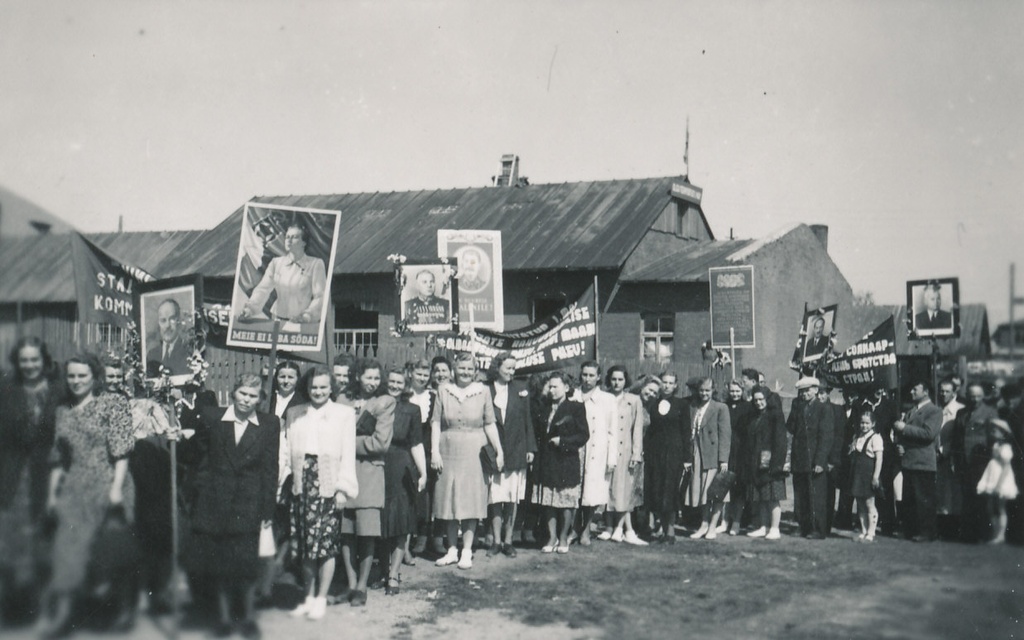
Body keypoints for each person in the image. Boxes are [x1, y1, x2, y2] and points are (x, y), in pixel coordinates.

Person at [39, 353, 135, 638]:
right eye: (71, 376)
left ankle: (124, 610)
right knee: (68, 551)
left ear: (95, 377)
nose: (76, 381)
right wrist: (52, 495)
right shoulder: (62, 410)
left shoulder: (113, 404)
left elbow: (122, 453)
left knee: (110, 553)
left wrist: (116, 490)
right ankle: (64, 615)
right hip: (75, 486)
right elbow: (58, 457)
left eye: (82, 375)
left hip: (109, 483)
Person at [181, 373, 279, 639]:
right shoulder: (214, 419)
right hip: (216, 500)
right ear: (233, 393)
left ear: (260, 399)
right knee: (221, 566)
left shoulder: (269, 424)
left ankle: (247, 617)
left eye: (253, 396)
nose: (247, 400)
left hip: (249, 502)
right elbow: (195, 454)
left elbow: (270, 469)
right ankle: (224, 618)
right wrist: (178, 439)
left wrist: (267, 508)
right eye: (243, 393)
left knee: (246, 565)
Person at [285, 367, 357, 621]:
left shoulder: (344, 414)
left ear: (331, 388)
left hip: (328, 482)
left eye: (323, 387)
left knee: (324, 545)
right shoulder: (295, 413)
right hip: (301, 483)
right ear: (307, 388)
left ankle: (321, 598)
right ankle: (308, 597)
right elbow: (286, 450)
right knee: (306, 545)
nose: (318, 391)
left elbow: (348, 453)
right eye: (314, 387)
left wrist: (342, 488)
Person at [0, 338, 61, 626]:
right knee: (11, 543)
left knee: (44, 540)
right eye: (24, 360)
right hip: (13, 476)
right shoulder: (7, 391)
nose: (29, 365)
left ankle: (44, 607)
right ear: (17, 362)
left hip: (47, 475)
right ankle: (15, 609)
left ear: (43, 360)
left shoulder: (58, 391)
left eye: (34, 359)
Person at [431, 353, 504, 569]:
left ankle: (466, 551)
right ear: (455, 370)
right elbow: (435, 423)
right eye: (462, 368)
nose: (465, 372)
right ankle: (452, 550)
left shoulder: (483, 391)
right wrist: (435, 452)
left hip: (474, 450)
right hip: (448, 448)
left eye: (469, 369)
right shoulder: (443, 391)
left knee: (470, 501)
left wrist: (499, 450)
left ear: (475, 371)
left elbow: (489, 423)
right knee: (450, 501)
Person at [337, 359, 394, 606]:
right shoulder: (342, 400)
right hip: (344, 472)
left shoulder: (384, 402)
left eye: (376, 378)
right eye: (368, 377)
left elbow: (380, 443)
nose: (372, 383)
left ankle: (362, 585)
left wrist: (346, 443)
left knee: (367, 532)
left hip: (370, 473)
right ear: (357, 376)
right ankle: (351, 583)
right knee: (346, 531)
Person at [531, 372, 589, 554]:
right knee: (548, 502)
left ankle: (564, 537)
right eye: (550, 386)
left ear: (566, 387)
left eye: (556, 386)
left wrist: (563, 442)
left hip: (566, 460)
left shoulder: (576, 407)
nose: (552, 390)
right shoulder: (543, 407)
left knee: (565, 502)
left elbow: (583, 435)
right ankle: (552, 537)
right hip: (546, 460)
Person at [380, 368, 426, 594]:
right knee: (379, 521)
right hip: (377, 466)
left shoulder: (412, 409)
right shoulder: (375, 405)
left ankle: (393, 575)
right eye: (391, 381)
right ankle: (381, 570)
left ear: (405, 385)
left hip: (400, 467)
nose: (395, 386)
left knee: (399, 523)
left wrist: (423, 472)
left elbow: (416, 443)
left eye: (399, 382)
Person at [484, 352, 535, 558]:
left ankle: (508, 541)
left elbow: (527, 421)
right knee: (495, 498)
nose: (511, 372)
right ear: (497, 367)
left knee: (512, 498)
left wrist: (530, 448)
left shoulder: (520, 390)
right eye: (508, 368)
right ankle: (495, 541)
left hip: (516, 450)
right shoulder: (485, 389)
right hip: (493, 451)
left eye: (514, 368)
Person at [240, 222, 327, 324]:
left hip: (302, 322)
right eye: (287, 237)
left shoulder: (315, 264)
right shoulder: (276, 263)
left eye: (294, 237)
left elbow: (320, 296)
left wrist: (307, 316)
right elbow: (263, 289)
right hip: (276, 319)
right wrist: (250, 309)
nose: (289, 240)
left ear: (304, 242)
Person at [599, 366, 646, 545]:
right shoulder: (604, 398)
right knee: (607, 488)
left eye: (620, 379)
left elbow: (637, 428)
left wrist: (636, 453)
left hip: (625, 451)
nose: (616, 382)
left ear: (626, 381)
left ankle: (621, 528)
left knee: (623, 490)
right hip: (606, 449)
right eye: (613, 379)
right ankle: (608, 527)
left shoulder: (633, 400)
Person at [572, 361, 616, 546]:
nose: (587, 379)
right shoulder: (573, 395)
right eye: (584, 375)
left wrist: (611, 458)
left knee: (592, 492)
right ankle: (573, 528)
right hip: (574, 449)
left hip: (597, 450)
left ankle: (586, 529)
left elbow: (613, 431)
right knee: (574, 490)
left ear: (598, 377)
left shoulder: (607, 399)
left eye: (591, 375)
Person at [644, 372, 691, 543]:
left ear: (676, 385)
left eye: (671, 383)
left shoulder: (682, 405)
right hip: (654, 453)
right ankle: (657, 528)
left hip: (674, 454)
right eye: (664, 382)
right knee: (656, 489)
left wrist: (687, 458)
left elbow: (686, 432)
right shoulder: (652, 403)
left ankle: (669, 531)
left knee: (670, 491)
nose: (667, 386)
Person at [893, 381, 943, 542]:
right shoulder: (911, 411)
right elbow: (904, 436)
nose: (912, 392)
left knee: (924, 500)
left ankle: (927, 532)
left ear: (926, 391)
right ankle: (911, 530)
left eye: (916, 389)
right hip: (909, 461)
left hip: (923, 462)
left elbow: (928, 434)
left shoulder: (934, 411)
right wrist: (900, 444)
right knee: (910, 499)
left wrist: (904, 428)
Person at [787, 376, 834, 539]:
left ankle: (818, 529)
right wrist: (795, 409)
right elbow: (791, 428)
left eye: (807, 391)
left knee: (816, 495)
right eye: (801, 392)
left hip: (815, 459)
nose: (804, 394)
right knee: (800, 495)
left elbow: (826, 437)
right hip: (799, 459)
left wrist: (821, 461)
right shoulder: (798, 407)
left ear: (816, 390)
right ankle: (803, 525)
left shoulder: (823, 409)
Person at [952, 383, 1000, 542]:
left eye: (978, 396)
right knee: (967, 498)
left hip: (981, 461)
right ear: (967, 395)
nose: (975, 399)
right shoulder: (961, 412)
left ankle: (983, 534)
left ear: (983, 396)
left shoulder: (990, 412)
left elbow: (995, 437)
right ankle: (968, 534)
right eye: (972, 395)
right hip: (964, 461)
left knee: (981, 498)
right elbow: (956, 438)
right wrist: (955, 459)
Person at [686, 377, 732, 540]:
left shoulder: (721, 408)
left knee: (717, 493)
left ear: (713, 390)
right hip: (698, 454)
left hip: (713, 456)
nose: (704, 393)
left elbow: (725, 435)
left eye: (707, 390)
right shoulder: (694, 407)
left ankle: (712, 526)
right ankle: (703, 525)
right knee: (702, 493)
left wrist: (723, 459)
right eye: (702, 390)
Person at [406, 359, 440, 557]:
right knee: (408, 496)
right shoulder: (403, 395)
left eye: (425, 375)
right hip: (405, 450)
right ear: (411, 373)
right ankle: (407, 539)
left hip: (426, 451)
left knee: (425, 496)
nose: (422, 377)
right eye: (418, 373)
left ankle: (423, 536)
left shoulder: (432, 397)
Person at [743, 388, 788, 540]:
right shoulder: (754, 416)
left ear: (767, 399)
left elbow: (781, 441)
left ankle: (775, 528)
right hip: (756, 462)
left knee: (772, 497)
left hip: (771, 463)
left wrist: (777, 464)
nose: (759, 403)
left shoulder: (776, 415)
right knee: (761, 497)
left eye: (761, 399)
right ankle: (763, 526)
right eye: (755, 400)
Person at [975, 419, 1019, 545]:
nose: (993, 432)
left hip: (1001, 478)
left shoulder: (1006, 448)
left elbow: (1005, 467)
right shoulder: (995, 445)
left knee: (1000, 507)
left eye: (996, 430)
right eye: (993, 429)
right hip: (992, 475)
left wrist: (999, 484)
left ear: (1003, 433)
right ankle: (994, 533)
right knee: (990, 506)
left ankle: (1000, 535)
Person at [935, 378, 965, 539]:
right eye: (941, 391)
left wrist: (942, 451)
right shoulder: (937, 409)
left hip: (951, 458)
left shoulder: (960, 410)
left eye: (947, 391)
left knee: (953, 495)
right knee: (941, 495)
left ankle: (952, 531)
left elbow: (957, 437)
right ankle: (943, 529)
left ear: (954, 393)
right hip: (937, 458)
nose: (943, 394)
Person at [848, 410, 884, 542]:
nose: (864, 426)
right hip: (858, 474)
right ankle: (863, 531)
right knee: (860, 504)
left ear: (873, 424)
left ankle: (871, 532)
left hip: (868, 474)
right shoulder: (857, 437)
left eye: (867, 423)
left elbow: (879, 459)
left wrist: (875, 476)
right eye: (862, 423)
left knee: (869, 503)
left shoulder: (876, 438)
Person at [722, 380, 752, 536]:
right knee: (724, 486)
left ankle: (737, 522)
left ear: (742, 391)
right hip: (726, 449)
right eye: (732, 391)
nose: (734, 394)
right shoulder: (724, 405)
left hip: (741, 451)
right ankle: (724, 520)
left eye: (737, 391)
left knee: (739, 488)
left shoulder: (748, 407)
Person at [146, 298, 191, 377]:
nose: (167, 326)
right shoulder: (151, 355)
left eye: (172, 319)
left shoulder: (188, 353)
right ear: (159, 323)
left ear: (179, 321)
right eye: (163, 320)